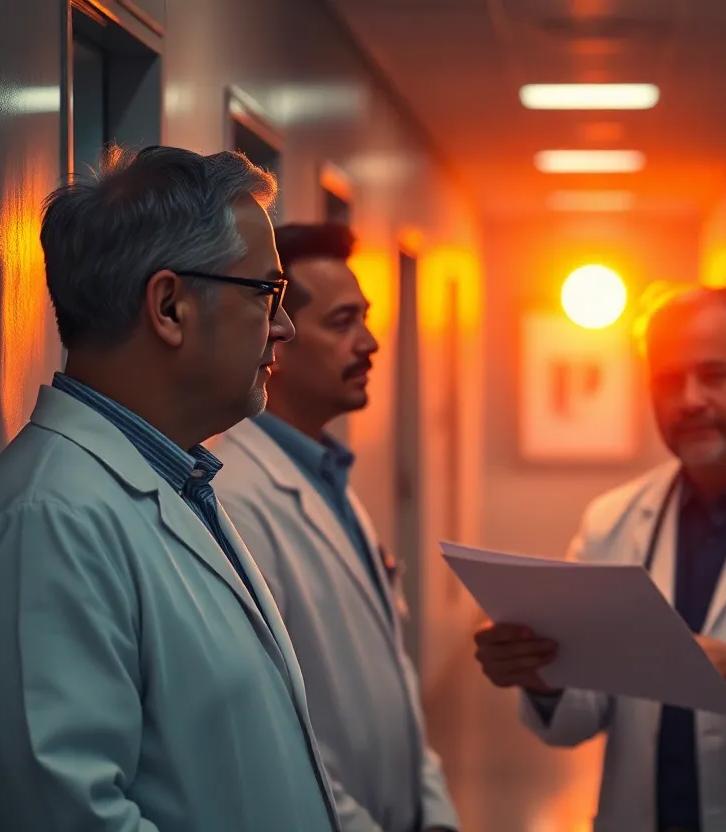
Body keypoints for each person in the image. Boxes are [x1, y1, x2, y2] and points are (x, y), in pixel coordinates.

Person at [0, 146, 340, 831]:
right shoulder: (51, 517)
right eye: (267, 295)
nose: (285, 326)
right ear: (170, 306)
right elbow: (70, 815)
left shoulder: (179, 482)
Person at [474, 286, 726, 832]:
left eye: (714, 375)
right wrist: (540, 674)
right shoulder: (612, 521)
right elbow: (578, 718)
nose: (689, 399)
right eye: (668, 381)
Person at [213, 223, 459, 832]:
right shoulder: (235, 498)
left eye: (365, 319)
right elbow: (274, 735)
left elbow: (396, 689)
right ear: (279, 335)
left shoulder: (328, 475)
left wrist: (435, 815)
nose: (370, 342)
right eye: (342, 323)